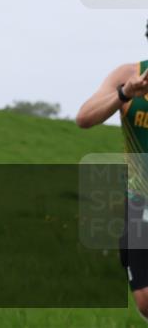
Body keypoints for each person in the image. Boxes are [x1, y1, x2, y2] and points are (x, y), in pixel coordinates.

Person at [76, 21, 148, 321]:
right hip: (138, 203)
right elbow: (84, 118)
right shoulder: (127, 75)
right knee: (145, 302)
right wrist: (123, 93)